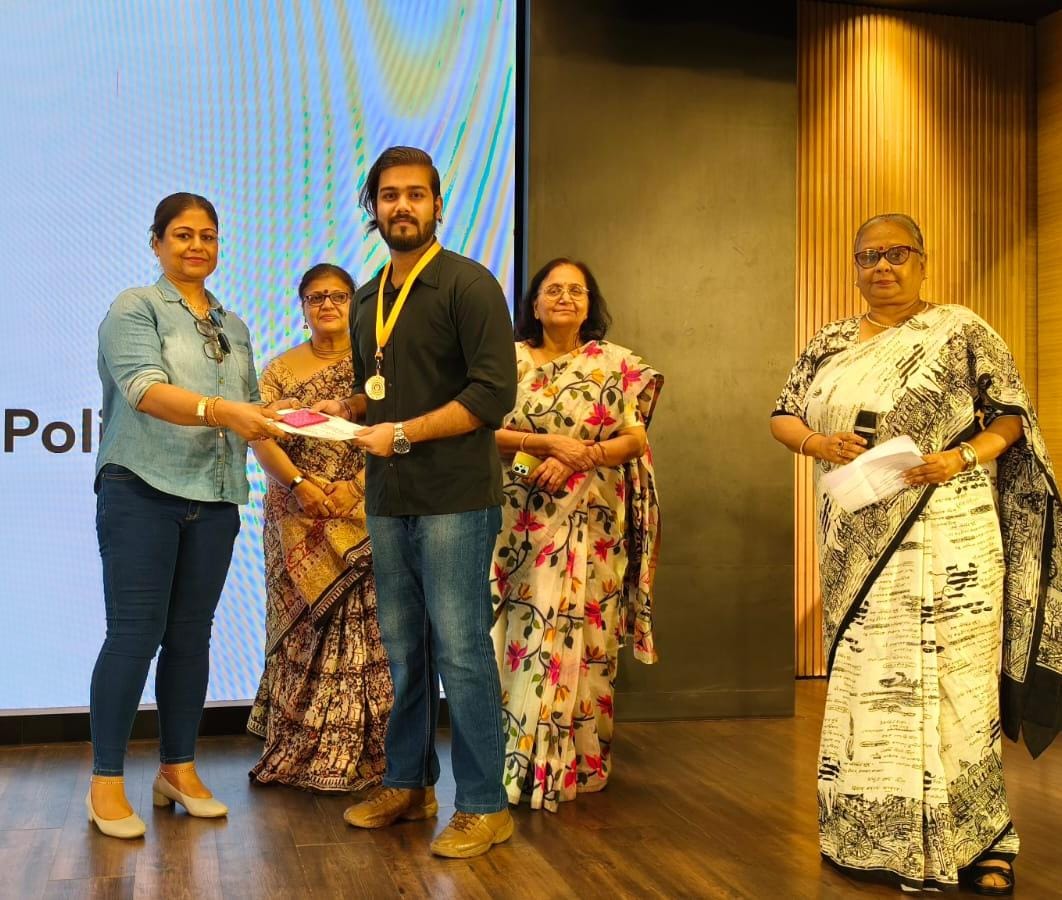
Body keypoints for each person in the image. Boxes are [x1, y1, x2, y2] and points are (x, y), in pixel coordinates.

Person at [771, 213, 1062, 895]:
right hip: (857, 535)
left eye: (896, 253)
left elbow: (1012, 419)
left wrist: (959, 457)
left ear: (922, 261)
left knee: (958, 682)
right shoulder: (829, 341)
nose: (882, 266)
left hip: (954, 529)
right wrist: (819, 443)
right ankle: (864, 833)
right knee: (870, 678)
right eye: (868, 256)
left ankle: (983, 841)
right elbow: (783, 414)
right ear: (855, 267)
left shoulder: (961, 330)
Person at [314, 146, 517, 858]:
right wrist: (338, 412)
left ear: (437, 204)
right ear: (371, 207)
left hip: (455, 498)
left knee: (461, 650)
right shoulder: (368, 297)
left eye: (416, 194)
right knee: (403, 650)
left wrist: (400, 434)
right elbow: (378, 391)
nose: (402, 205)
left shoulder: (469, 284)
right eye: (389, 194)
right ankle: (409, 784)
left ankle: (485, 805)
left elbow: (492, 396)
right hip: (388, 497)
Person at [90, 193, 286, 839]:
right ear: (157, 243)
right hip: (141, 490)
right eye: (182, 234)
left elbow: (255, 416)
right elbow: (144, 391)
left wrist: (301, 474)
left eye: (208, 235)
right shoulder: (135, 307)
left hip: (215, 496)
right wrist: (223, 412)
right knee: (132, 635)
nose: (197, 245)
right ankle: (105, 781)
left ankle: (177, 770)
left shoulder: (235, 326)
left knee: (191, 637)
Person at [490, 258, 663, 811]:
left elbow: (634, 440)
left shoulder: (615, 365)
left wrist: (578, 456)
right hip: (519, 515)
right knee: (521, 637)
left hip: (592, 520)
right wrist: (544, 448)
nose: (565, 298)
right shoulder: (507, 362)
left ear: (590, 304)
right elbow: (483, 432)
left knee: (586, 637)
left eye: (576, 290)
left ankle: (576, 763)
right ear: (535, 303)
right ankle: (515, 764)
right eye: (553, 290)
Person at [246, 263, 391, 791]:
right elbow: (259, 435)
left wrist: (356, 488)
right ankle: (299, 748)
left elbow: (394, 430)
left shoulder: (376, 370)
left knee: (369, 635)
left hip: (366, 511)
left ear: (354, 303)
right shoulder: (280, 370)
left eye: (338, 296)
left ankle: (368, 752)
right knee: (305, 632)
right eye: (315, 297)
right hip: (297, 515)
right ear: (302, 306)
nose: (327, 305)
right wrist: (301, 484)